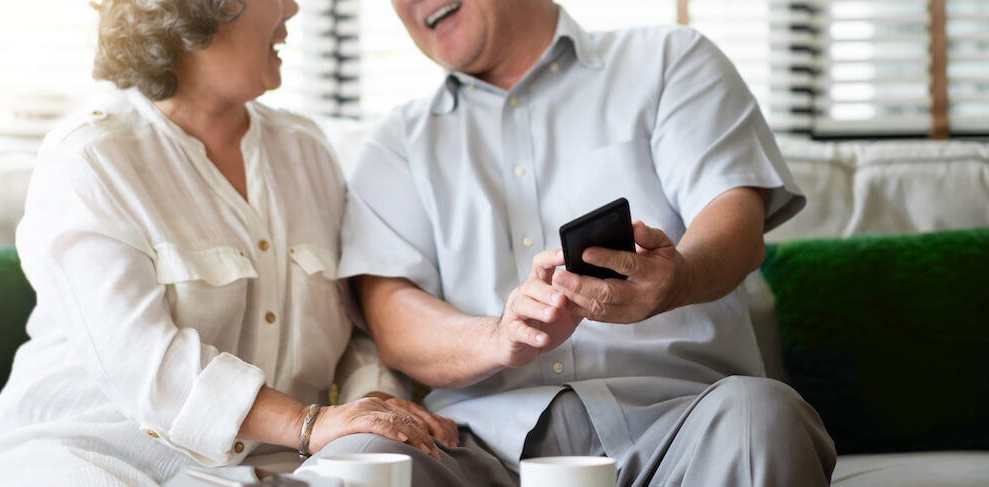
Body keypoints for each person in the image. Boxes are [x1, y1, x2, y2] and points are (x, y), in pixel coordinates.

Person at [310, 0, 838, 485]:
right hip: (477, 445)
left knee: (764, 416)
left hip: (681, 425)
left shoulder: (670, 60)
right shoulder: (397, 142)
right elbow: (391, 316)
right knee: (350, 461)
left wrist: (681, 279)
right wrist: (498, 335)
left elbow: (735, 224)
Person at [0, 0, 457, 485]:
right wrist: (309, 423)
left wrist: (375, 409)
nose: (292, 11)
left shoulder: (307, 151)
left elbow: (357, 334)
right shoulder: (91, 157)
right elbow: (144, 364)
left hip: (267, 466)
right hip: (91, 453)